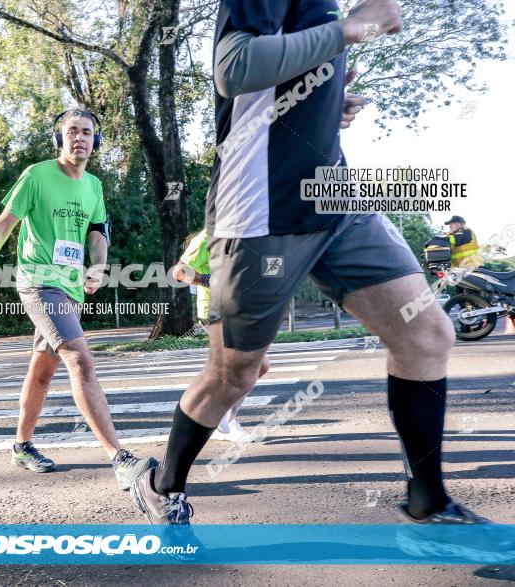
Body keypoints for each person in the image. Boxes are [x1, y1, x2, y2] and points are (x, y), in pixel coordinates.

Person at [133, 0, 489, 529]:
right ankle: (162, 483)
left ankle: (429, 500)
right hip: (262, 206)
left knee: (427, 332)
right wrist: (349, 30)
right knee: (237, 373)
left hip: (334, 195)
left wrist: (326, 100)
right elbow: (235, 68)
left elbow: (279, 79)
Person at [0, 109, 155, 491]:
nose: (79, 138)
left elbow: (98, 233)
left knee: (43, 372)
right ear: (59, 138)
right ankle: (120, 458)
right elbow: (1, 227)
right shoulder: (37, 176)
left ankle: (22, 445)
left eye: (87, 132)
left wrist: (98, 266)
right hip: (38, 283)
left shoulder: (93, 186)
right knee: (80, 360)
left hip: (70, 287)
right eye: (71, 132)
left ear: (95, 141)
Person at [172, 229, 270, 442]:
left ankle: (214, 418)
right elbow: (179, 272)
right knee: (251, 366)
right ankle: (224, 420)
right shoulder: (206, 238)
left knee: (255, 367)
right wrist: (208, 279)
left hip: (241, 310)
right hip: (215, 310)